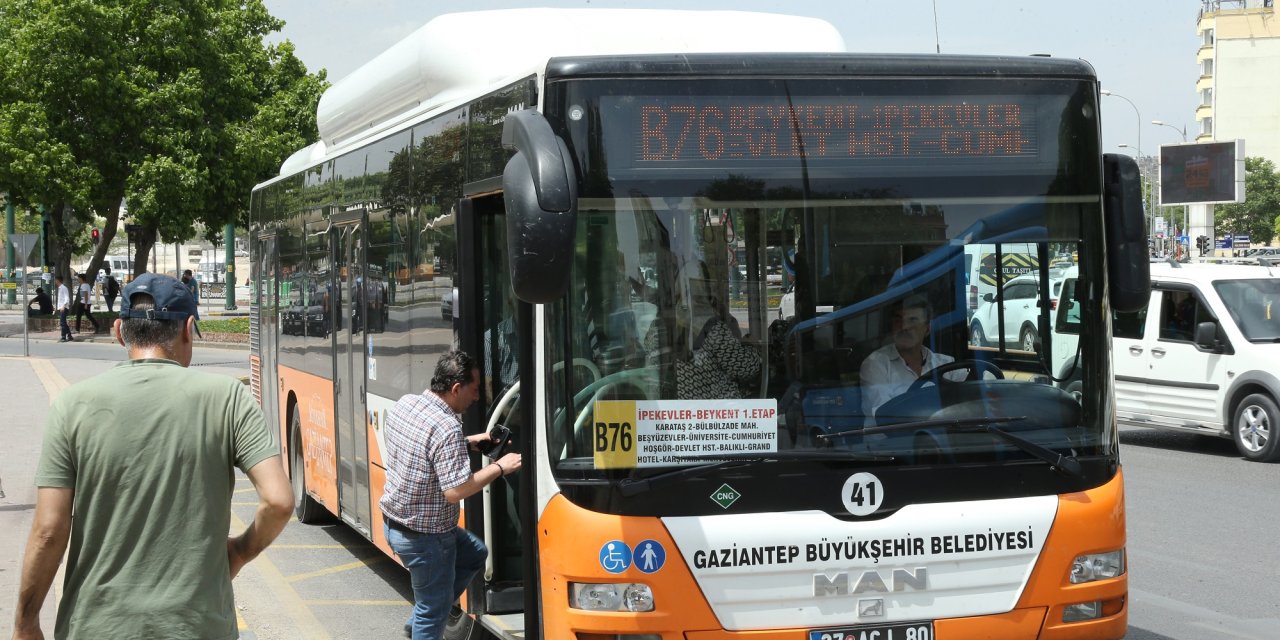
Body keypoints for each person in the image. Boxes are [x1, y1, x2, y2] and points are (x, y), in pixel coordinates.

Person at [12, 273, 294, 640]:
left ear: (118, 332)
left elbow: (49, 531)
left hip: (97, 626)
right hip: (196, 627)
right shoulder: (228, 398)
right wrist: (239, 552)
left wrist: (25, 621)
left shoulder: (72, 404)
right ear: (188, 329)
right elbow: (278, 501)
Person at [380, 349, 522, 640]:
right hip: (426, 538)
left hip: (395, 525)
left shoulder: (408, 404)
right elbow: (456, 491)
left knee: (475, 553)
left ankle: (426, 614)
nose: (477, 397)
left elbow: (424, 447)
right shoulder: (445, 428)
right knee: (432, 615)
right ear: (456, 388)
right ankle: (426, 619)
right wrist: (499, 467)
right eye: (474, 389)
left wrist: (468, 442)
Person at [860, 295, 963, 418]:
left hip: (940, 435)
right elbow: (885, 415)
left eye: (912, 320)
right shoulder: (876, 363)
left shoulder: (946, 363)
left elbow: (972, 398)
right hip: (891, 437)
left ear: (927, 328)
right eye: (898, 320)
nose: (904, 327)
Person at [54, 276, 73, 342]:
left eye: (56, 280)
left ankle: (63, 337)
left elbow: (67, 298)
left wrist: (63, 306)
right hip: (61, 307)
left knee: (62, 323)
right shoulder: (60, 288)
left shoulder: (63, 288)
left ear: (58, 280)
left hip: (64, 308)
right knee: (63, 322)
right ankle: (69, 335)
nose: (55, 282)